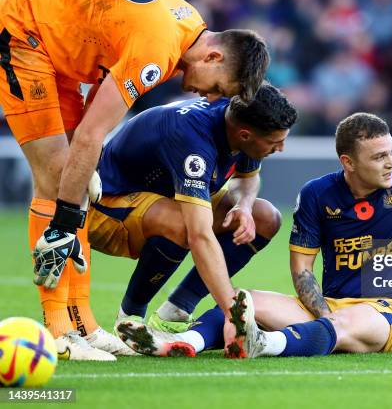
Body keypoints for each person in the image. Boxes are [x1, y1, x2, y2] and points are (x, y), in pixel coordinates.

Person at [116, 86, 392, 358]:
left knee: (346, 322)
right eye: (379, 157)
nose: (391, 163)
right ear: (348, 162)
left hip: (388, 312)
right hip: (326, 308)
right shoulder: (317, 194)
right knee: (245, 300)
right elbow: (301, 272)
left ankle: (267, 344)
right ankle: (180, 341)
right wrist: (320, 310)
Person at [0, 0, 269, 360]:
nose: (208, 98)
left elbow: (108, 68)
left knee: (73, 178)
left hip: (56, 47)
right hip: (23, 34)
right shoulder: (158, 52)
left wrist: (83, 169)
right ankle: (58, 330)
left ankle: (83, 326)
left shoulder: (187, 22)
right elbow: (93, 135)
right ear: (214, 56)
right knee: (58, 177)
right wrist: (63, 221)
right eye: (218, 88)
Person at [90, 83, 297, 357]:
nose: (281, 148)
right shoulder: (193, 142)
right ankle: (131, 318)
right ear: (246, 135)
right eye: (274, 142)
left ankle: (175, 311)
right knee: (184, 224)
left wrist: (244, 206)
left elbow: (249, 179)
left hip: (160, 204)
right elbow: (199, 235)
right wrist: (233, 313)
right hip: (105, 209)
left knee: (263, 217)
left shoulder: (237, 119)